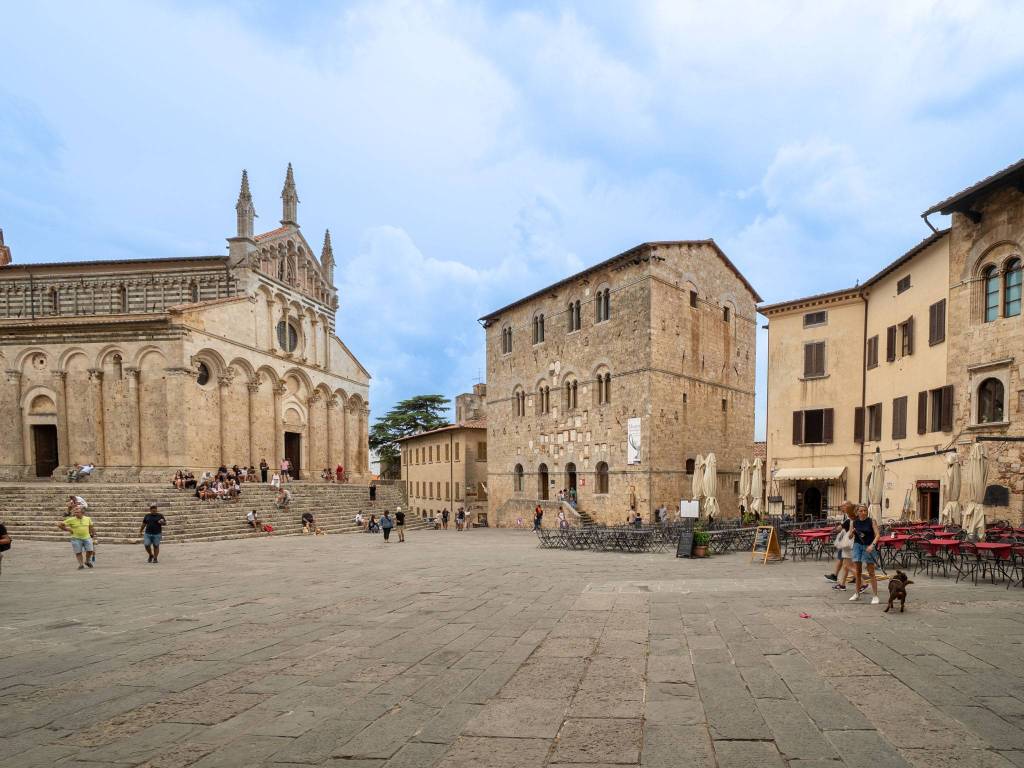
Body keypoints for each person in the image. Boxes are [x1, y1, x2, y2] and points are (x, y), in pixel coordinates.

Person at [849, 505, 881, 605]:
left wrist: (872, 545)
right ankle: (857, 593)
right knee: (858, 571)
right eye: (861, 511)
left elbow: (877, 535)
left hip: (868, 546)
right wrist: (852, 532)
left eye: (865, 510)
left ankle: (875, 596)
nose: (864, 512)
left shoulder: (872, 521)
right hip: (857, 546)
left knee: (871, 571)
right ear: (857, 512)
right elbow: (850, 536)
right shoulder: (854, 522)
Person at [825, 501, 857, 590]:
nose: (841, 507)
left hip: (848, 544)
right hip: (848, 544)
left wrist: (837, 529)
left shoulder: (850, 519)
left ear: (848, 507)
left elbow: (843, 528)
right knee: (847, 565)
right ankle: (842, 584)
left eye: (843, 506)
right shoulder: (849, 517)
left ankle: (862, 582)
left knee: (847, 565)